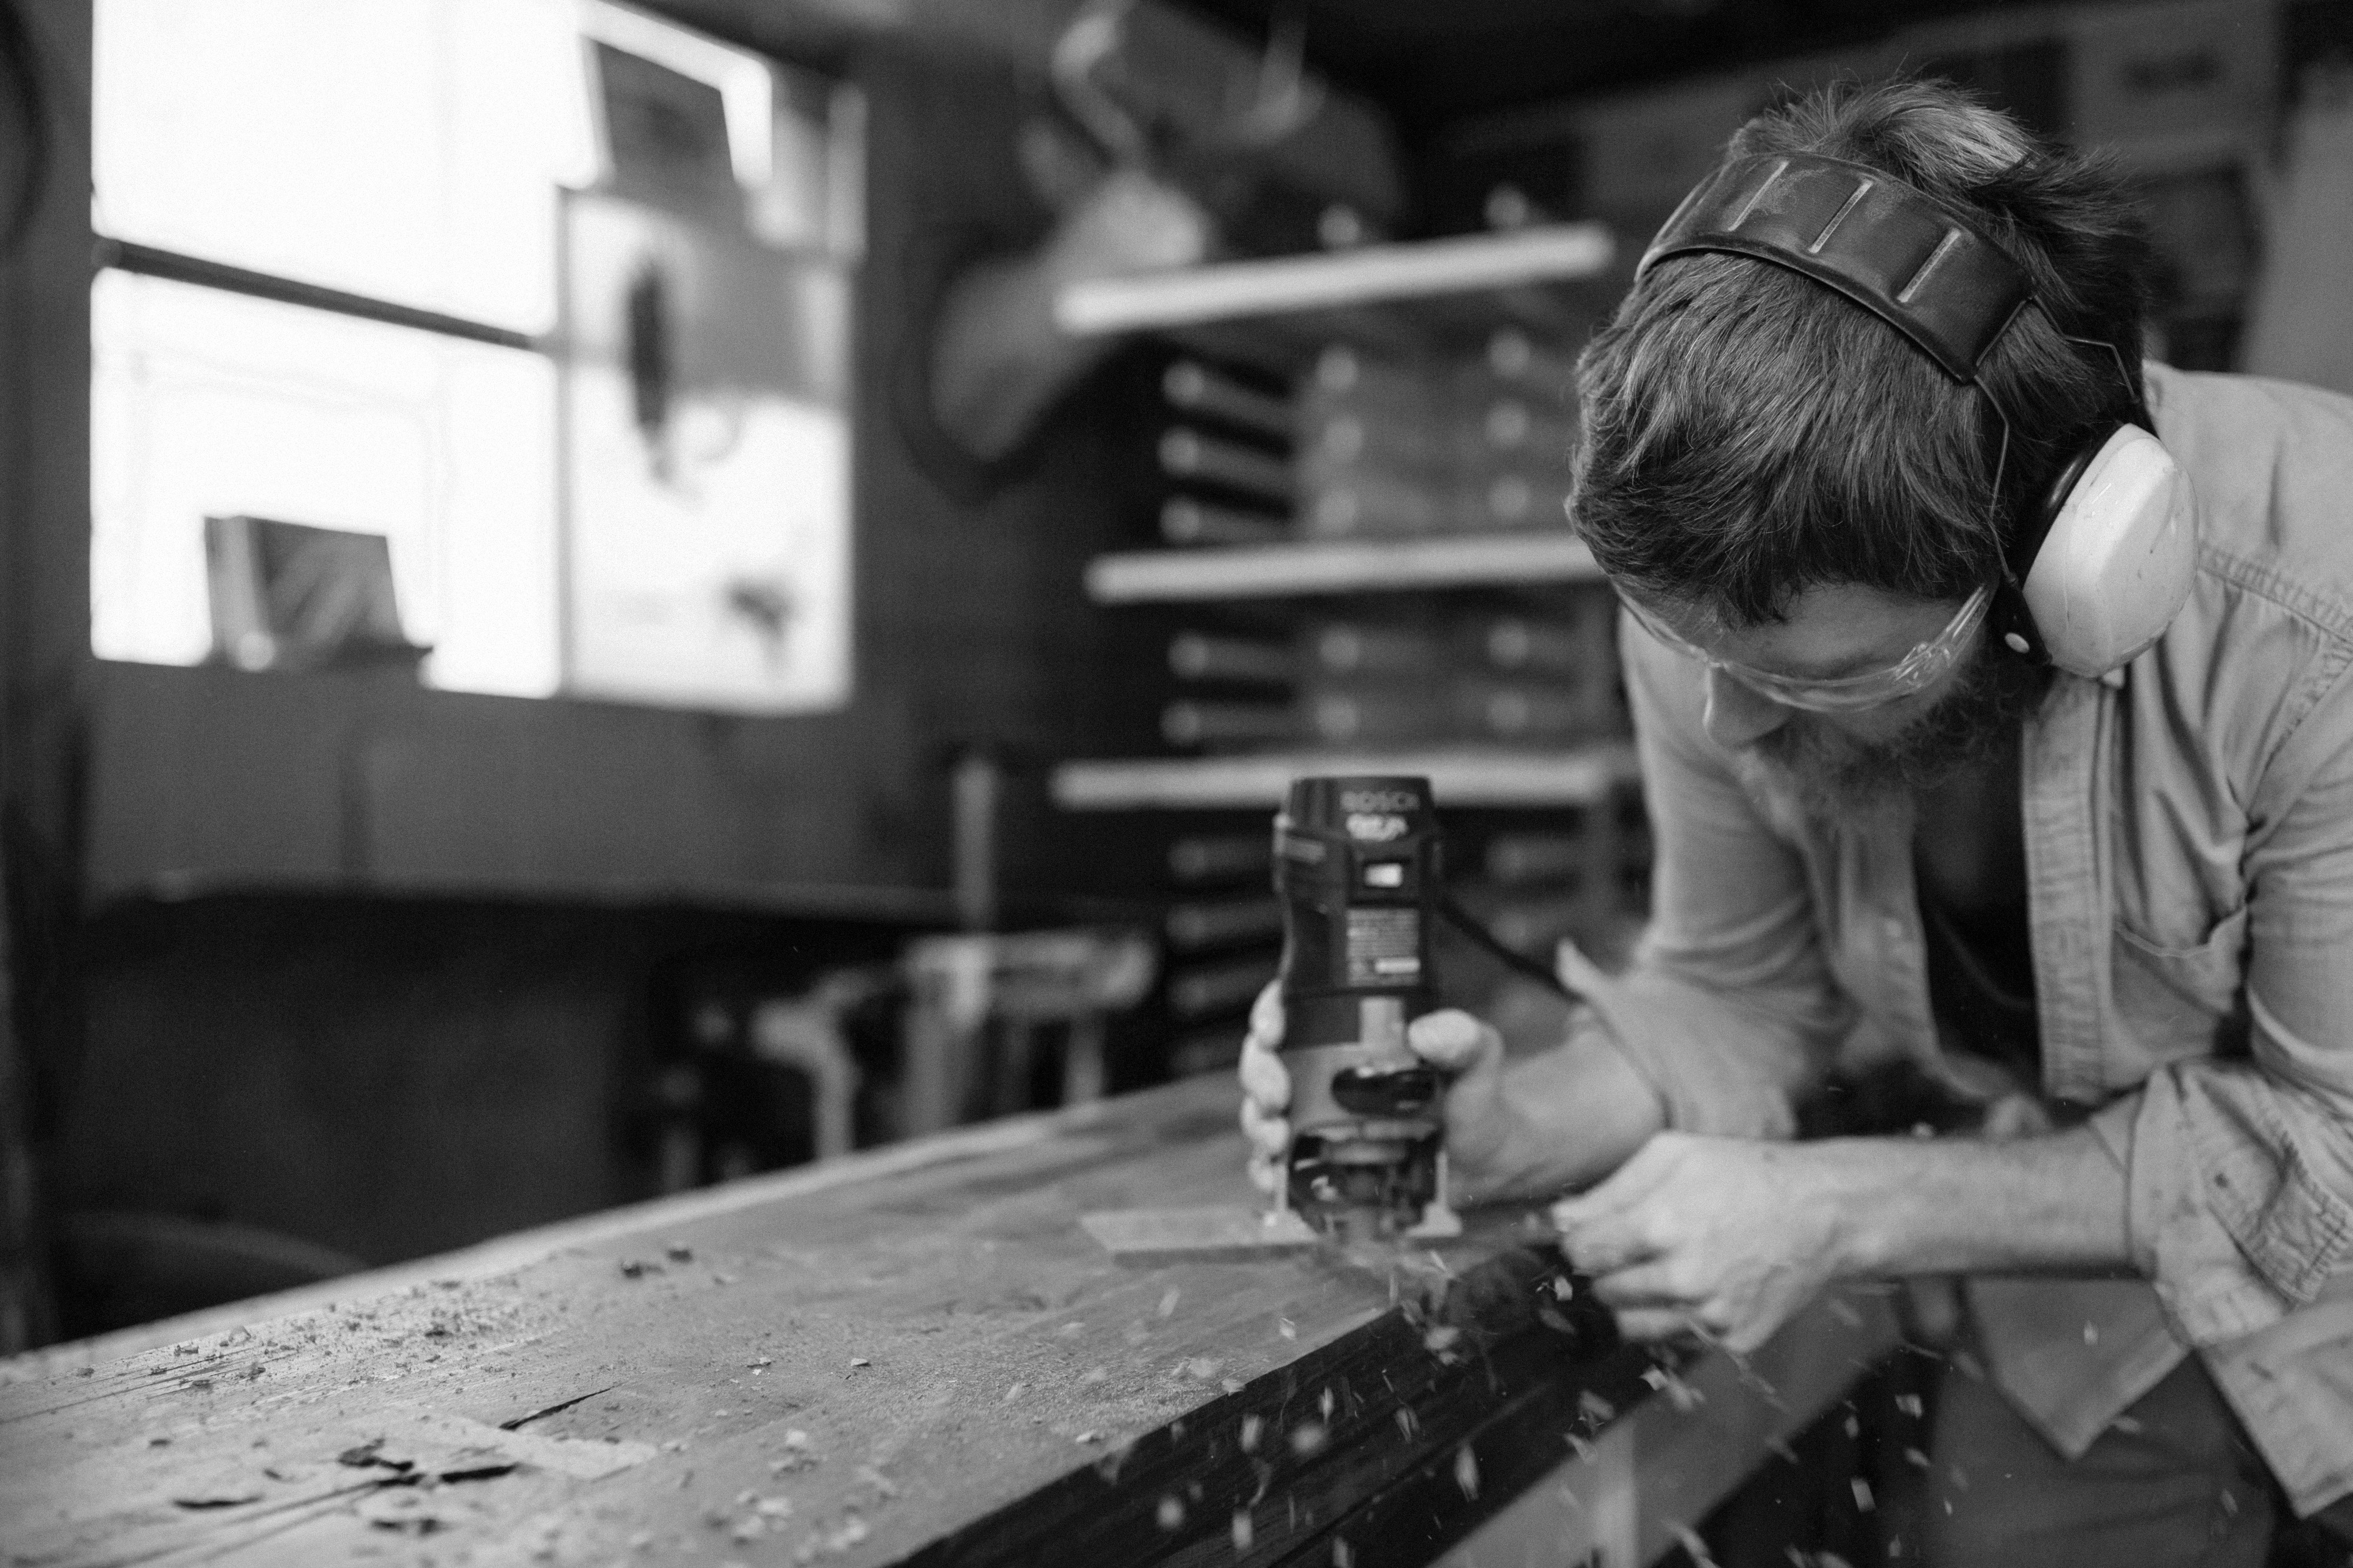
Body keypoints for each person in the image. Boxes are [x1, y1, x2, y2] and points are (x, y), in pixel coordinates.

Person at [1239, 79, 2353, 1565]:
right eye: (1689, 649)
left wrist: (1835, 1210)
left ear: (2067, 576)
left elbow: (2332, 1146)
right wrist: (1512, 1130)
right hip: (2106, 1294)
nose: (1726, 725)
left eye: (1822, 678)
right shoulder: (1728, 606)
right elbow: (1740, 992)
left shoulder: (2319, 614)